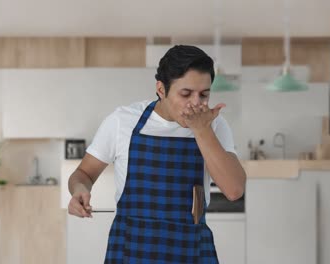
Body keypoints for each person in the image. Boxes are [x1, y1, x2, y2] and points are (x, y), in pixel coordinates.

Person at [68, 45, 247, 263]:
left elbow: (234, 190)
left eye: (204, 94)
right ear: (161, 90)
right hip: (131, 248)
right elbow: (84, 173)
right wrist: (79, 190)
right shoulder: (123, 121)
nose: (196, 104)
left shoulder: (214, 125)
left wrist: (202, 130)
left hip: (190, 249)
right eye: (186, 93)